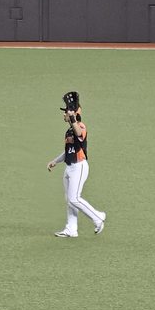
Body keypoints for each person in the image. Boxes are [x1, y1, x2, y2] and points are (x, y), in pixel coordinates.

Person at [47, 91, 106, 238]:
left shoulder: (81, 126)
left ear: (72, 114)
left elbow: (79, 133)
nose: (63, 115)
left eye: (65, 112)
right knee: (70, 200)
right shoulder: (68, 131)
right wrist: (55, 161)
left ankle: (98, 217)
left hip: (79, 167)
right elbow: (68, 151)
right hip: (69, 167)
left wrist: (73, 117)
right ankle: (71, 229)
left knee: (74, 198)